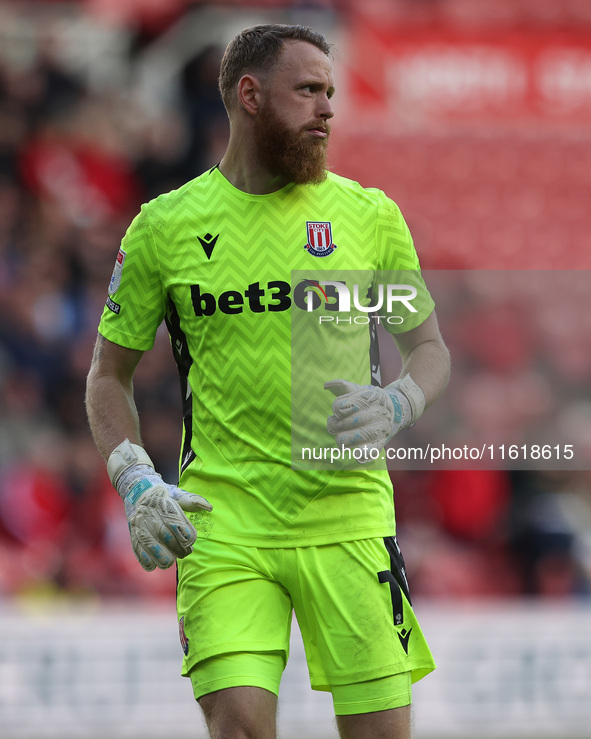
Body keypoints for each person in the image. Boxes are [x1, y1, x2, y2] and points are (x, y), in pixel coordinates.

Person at [85, 23, 450, 739]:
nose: (327, 110)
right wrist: (133, 478)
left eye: (330, 93)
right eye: (308, 91)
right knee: (241, 725)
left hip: (347, 515)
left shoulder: (369, 216)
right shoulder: (164, 227)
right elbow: (108, 375)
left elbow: (430, 348)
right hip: (222, 521)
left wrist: (399, 400)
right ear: (250, 96)